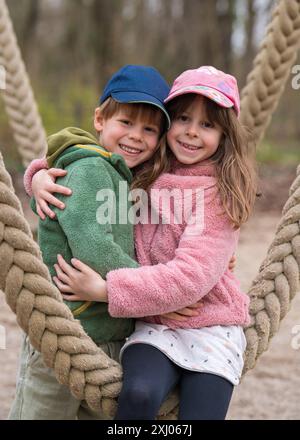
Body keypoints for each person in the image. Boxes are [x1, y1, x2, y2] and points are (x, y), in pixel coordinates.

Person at [27, 66, 256, 420]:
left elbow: (190, 277)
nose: (192, 132)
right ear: (169, 127)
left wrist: (108, 290)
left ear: (225, 136)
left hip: (208, 323)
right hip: (154, 326)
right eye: (182, 119)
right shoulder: (150, 167)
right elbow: (86, 165)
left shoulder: (218, 195)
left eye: (208, 125)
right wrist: (39, 175)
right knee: (137, 394)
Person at [9, 64, 182, 420]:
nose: (136, 136)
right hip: (66, 329)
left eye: (149, 129)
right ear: (100, 119)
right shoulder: (91, 168)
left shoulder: (126, 172)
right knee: (41, 412)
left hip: (109, 333)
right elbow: (94, 248)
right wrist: (158, 292)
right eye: (126, 122)